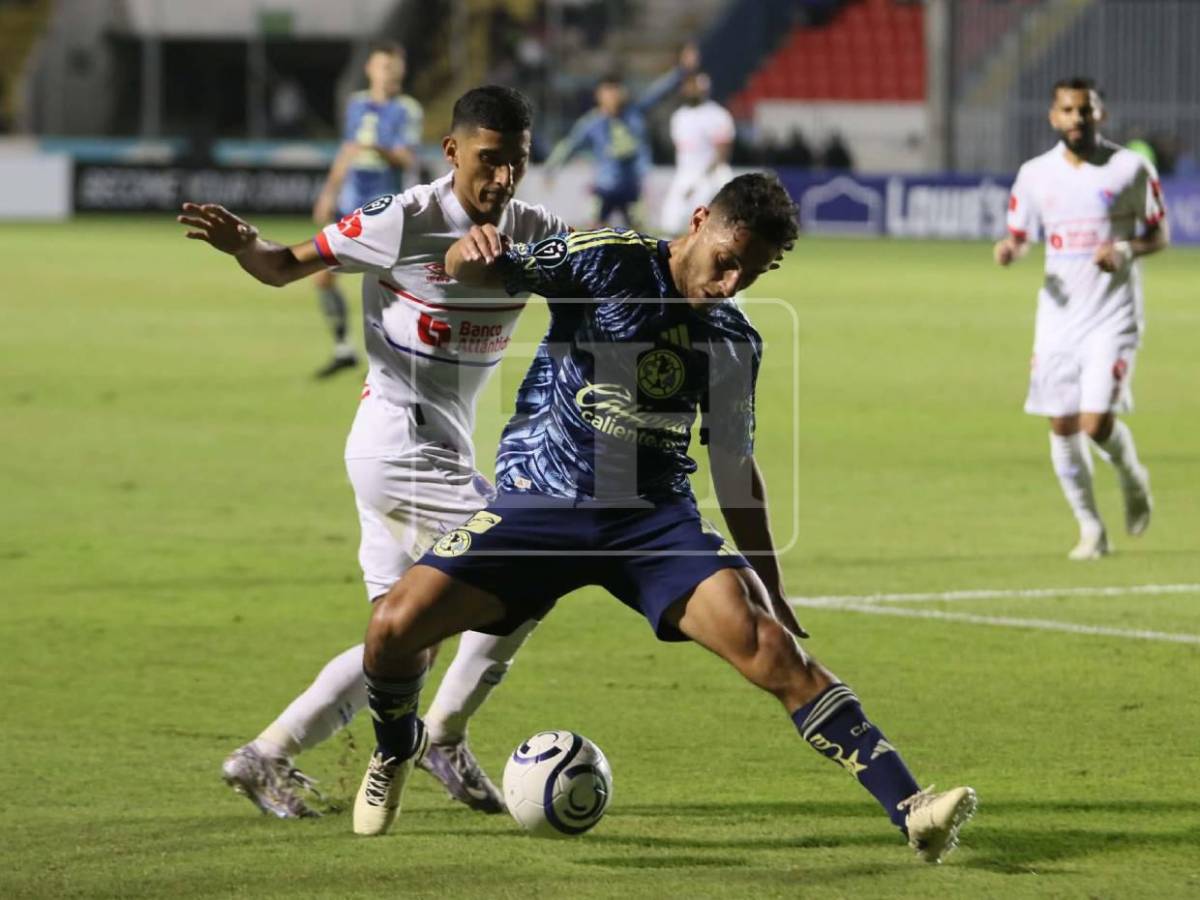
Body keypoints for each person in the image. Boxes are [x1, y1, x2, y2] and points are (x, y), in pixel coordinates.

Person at [351, 173, 977, 864]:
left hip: (652, 524)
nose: (733, 282)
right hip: (541, 505)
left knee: (771, 649)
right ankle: (395, 745)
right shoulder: (605, 258)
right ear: (700, 220)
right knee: (392, 628)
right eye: (728, 259)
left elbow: (736, 469)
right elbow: (479, 265)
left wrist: (772, 583)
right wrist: (470, 254)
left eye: (755, 272)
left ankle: (914, 807)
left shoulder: (734, 341)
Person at [177, 86, 570, 819]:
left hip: (423, 447)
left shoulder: (535, 227)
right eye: (489, 161)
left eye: (516, 162)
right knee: (533, 565)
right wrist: (246, 246)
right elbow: (283, 265)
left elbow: (594, 280)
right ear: (451, 151)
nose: (503, 179)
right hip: (400, 447)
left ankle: (264, 755)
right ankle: (444, 735)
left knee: (403, 643)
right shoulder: (401, 221)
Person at [994, 77, 1167, 560]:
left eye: (1085, 111)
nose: (1077, 119)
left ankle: (1133, 480)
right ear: (1054, 117)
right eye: (1068, 111)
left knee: (1095, 423)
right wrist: (1012, 248)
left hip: (1112, 316)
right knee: (1062, 426)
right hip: (1058, 319)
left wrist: (1127, 250)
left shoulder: (1130, 169)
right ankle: (1091, 529)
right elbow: (1022, 234)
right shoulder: (1035, 174)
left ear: (1100, 115)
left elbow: (1159, 234)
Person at [310, 41, 424, 378]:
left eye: (396, 68)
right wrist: (328, 193)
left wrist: (377, 146)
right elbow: (347, 149)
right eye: (385, 67)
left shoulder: (408, 110)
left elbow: (407, 158)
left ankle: (394, 358)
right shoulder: (357, 105)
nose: (391, 73)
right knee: (322, 278)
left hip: (385, 207)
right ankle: (344, 348)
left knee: (385, 288)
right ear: (370, 69)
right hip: (349, 205)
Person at [545, 44, 699, 228]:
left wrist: (682, 71)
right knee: (593, 234)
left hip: (633, 189)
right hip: (604, 189)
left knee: (639, 237)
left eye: (616, 90)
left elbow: (659, 92)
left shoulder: (635, 112)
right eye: (609, 91)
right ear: (599, 95)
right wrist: (551, 168)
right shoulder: (592, 123)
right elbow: (569, 145)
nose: (614, 96)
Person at [659, 71, 735, 235]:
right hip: (685, 174)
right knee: (669, 222)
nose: (691, 89)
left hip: (710, 174)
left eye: (695, 86)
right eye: (688, 86)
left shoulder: (717, 115)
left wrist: (700, 180)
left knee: (707, 224)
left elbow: (722, 152)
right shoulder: (679, 116)